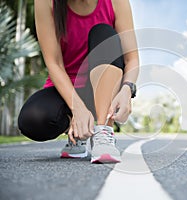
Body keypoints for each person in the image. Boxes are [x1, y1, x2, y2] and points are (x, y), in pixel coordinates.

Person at [17, 0, 139, 164]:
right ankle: (79, 132)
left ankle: (103, 130)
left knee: (103, 33)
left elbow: (132, 60)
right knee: (32, 119)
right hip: (66, 88)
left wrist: (127, 88)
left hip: (102, 86)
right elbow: (54, 63)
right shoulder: (45, 2)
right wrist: (77, 108)